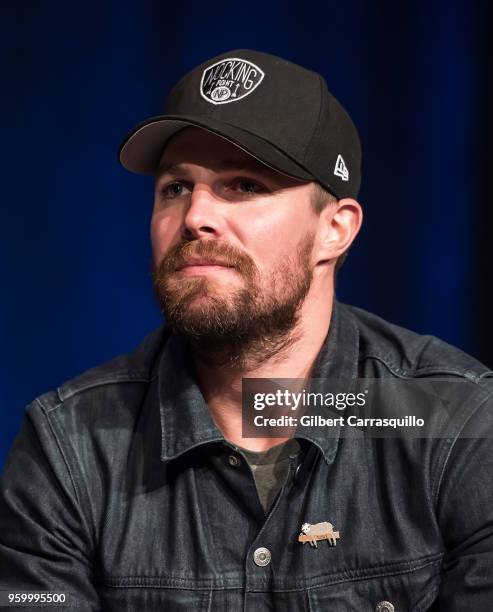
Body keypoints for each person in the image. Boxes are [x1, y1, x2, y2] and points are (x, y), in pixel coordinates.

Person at [1, 49, 492, 612]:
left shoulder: (459, 425)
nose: (195, 216)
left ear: (335, 230)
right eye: (176, 188)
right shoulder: (68, 446)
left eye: (244, 185)